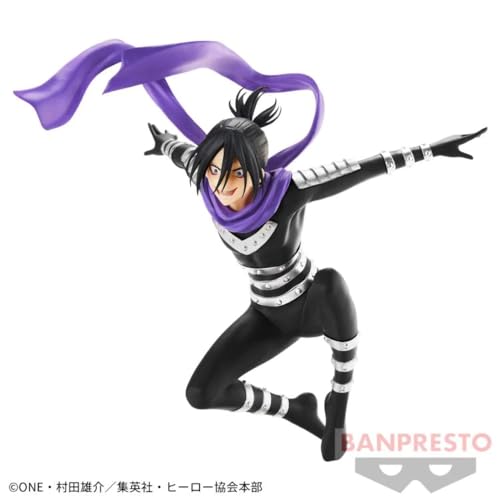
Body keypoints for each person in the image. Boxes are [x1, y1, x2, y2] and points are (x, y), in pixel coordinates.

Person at [14, 40, 487, 461]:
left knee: (332, 281)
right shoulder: (207, 183)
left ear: (259, 172)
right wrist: (164, 144)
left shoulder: (289, 191)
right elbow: (184, 153)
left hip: (315, 304)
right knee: (201, 393)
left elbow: (364, 167)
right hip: (267, 316)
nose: (223, 185)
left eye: (236, 173)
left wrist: (434, 149)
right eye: (215, 171)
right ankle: (295, 409)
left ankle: (338, 409)